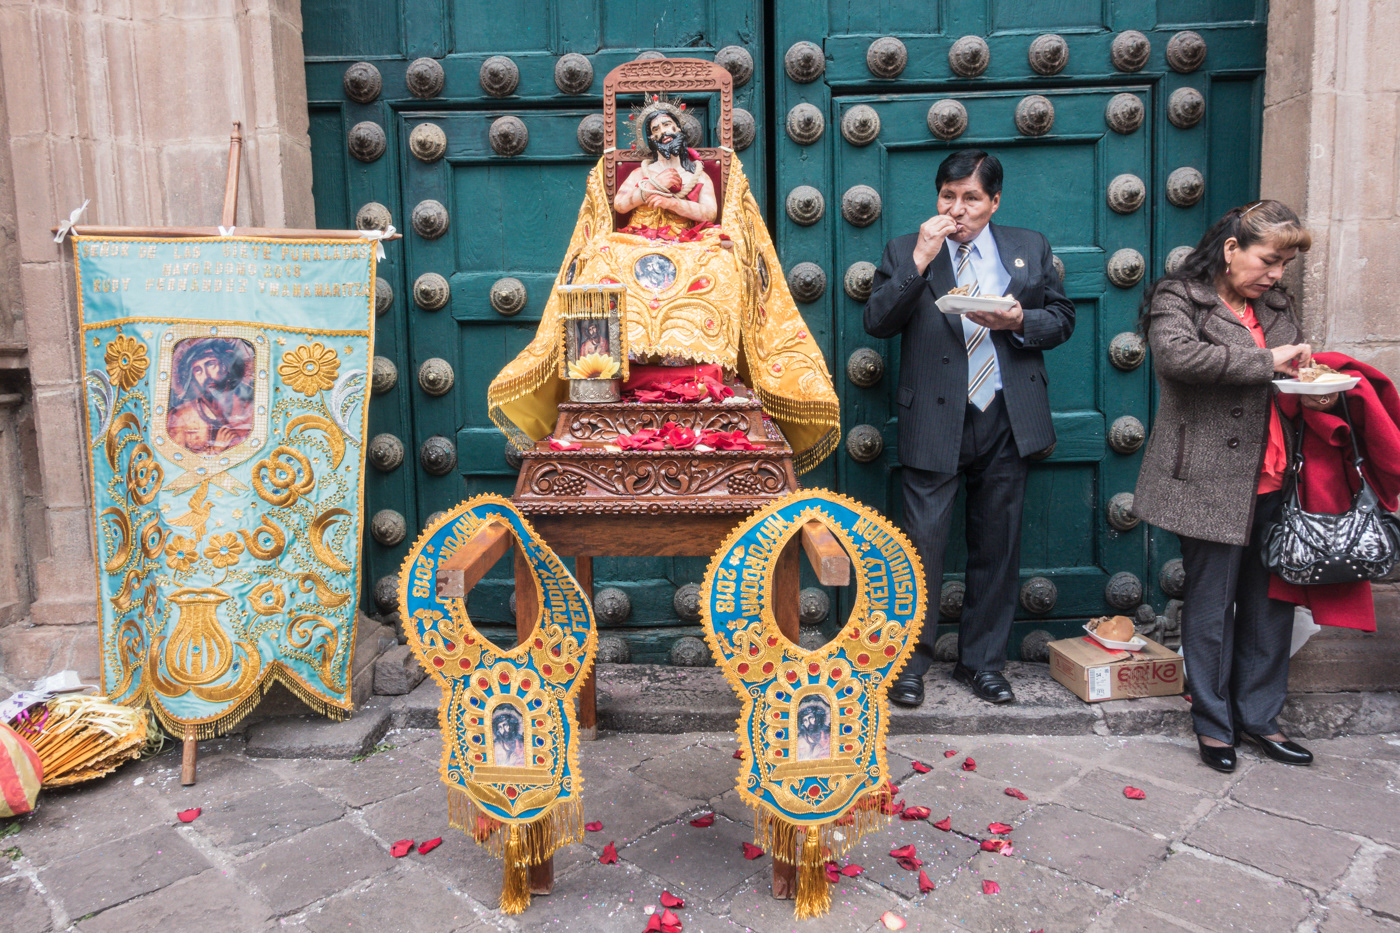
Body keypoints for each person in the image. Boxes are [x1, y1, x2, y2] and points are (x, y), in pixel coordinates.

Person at [864, 150, 1075, 707]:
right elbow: (878, 320)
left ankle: (982, 664)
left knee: (998, 547)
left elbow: (1062, 319)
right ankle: (908, 666)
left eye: (971, 198)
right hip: (934, 418)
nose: (957, 210)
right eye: (947, 196)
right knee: (919, 549)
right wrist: (919, 258)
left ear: (994, 201)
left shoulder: (1029, 247)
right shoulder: (904, 248)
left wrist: (1020, 319)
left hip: (1007, 417)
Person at [1131, 200, 1322, 773]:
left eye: (1285, 264)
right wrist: (1269, 360)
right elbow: (1178, 358)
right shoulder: (1178, 297)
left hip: (1277, 473)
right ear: (1232, 249)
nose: (1276, 275)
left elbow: (1290, 372)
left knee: (1271, 606)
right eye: (1269, 260)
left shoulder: (1278, 304)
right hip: (1207, 478)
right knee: (1211, 608)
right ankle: (1215, 728)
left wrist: (1319, 386)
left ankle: (1260, 719)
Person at [166, 337, 254, 455]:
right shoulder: (181, 417)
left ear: (226, 366)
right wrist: (214, 451)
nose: (206, 375)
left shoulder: (250, 412)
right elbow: (171, 460)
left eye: (210, 364)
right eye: (198, 370)